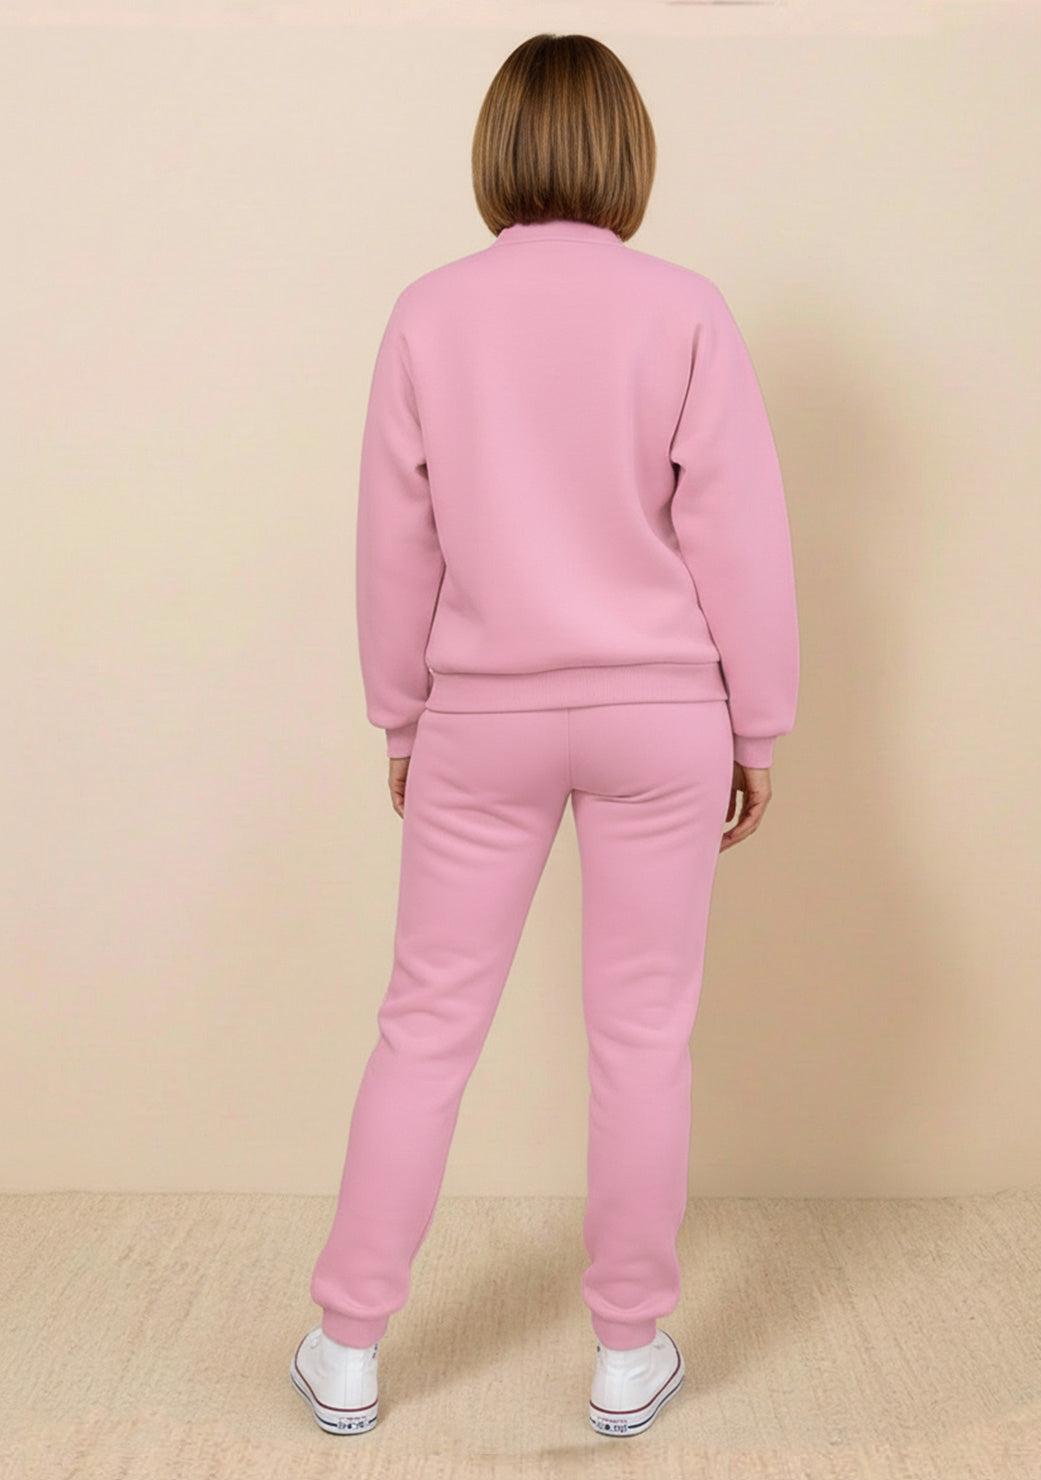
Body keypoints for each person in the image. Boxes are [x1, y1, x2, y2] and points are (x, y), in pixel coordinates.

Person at [290, 31, 800, 1440]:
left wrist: (400, 712)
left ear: (495, 150)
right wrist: (757, 725)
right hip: (662, 717)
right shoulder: (684, 310)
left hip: (482, 717)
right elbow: (738, 532)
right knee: (643, 1036)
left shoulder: (428, 315)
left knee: (425, 1023)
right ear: (628, 154)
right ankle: (628, 1353)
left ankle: (346, 1344)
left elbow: (395, 537)